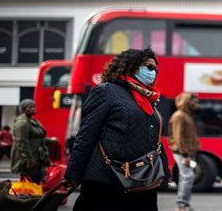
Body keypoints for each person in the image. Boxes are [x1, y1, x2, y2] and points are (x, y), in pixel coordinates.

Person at [64, 48, 170, 211]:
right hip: (106, 181)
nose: (153, 72)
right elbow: (86, 134)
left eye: (155, 69)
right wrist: (74, 172)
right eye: (149, 67)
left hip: (142, 182)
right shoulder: (106, 91)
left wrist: (164, 173)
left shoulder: (148, 98)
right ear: (131, 66)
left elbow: (155, 140)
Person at [168, 93, 200, 211]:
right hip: (183, 153)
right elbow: (178, 137)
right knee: (188, 176)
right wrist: (185, 155)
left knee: (186, 177)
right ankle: (181, 204)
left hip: (187, 153)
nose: (197, 104)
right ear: (187, 101)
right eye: (194, 102)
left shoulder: (186, 115)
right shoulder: (180, 116)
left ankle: (183, 204)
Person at [11, 99, 50, 183]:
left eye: (34, 107)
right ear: (24, 109)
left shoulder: (33, 121)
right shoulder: (22, 122)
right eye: (30, 107)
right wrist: (29, 159)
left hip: (37, 156)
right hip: (29, 159)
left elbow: (39, 137)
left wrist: (51, 140)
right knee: (29, 183)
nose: (33, 109)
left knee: (36, 180)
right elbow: (22, 142)